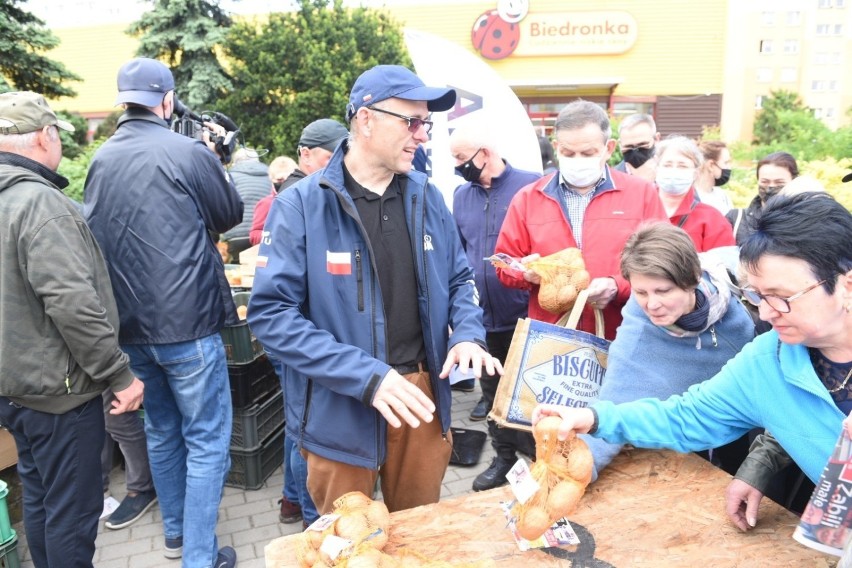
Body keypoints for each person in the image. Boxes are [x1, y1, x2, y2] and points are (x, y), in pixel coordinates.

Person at [247, 64, 496, 515]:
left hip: (421, 393)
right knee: (347, 545)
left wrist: (467, 332)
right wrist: (366, 377)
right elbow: (272, 317)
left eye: (427, 123)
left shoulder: (426, 195)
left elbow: (460, 278)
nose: (422, 135)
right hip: (339, 401)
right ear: (366, 120)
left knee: (419, 533)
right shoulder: (299, 206)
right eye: (412, 122)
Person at [533, 192, 852, 533]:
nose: (766, 312)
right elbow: (686, 416)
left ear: (846, 285)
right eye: (758, 296)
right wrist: (593, 418)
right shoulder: (766, 362)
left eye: (783, 298)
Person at [83, 58, 242, 568]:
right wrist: (216, 158)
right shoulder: (187, 150)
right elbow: (229, 214)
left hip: (129, 329)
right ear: (168, 101)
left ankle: (175, 536)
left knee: (162, 430)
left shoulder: (101, 159)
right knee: (206, 439)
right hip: (188, 325)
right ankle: (199, 556)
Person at [0, 91, 144, 568]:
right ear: (45, 136)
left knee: (41, 500)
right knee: (72, 514)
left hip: (17, 391)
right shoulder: (40, 205)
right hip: (59, 397)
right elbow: (72, 305)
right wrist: (119, 376)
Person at [580, 222, 755, 481]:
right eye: (640, 292)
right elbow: (615, 397)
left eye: (663, 291)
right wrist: (579, 466)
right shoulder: (639, 329)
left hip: (752, 415)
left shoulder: (730, 286)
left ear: (693, 279)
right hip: (694, 430)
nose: (652, 304)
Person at [495, 100, 667, 340]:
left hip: (625, 332)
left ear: (609, 148)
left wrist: (618, 285)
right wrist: (524, 272)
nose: (577, 160)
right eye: (567, 153)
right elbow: (504, 263)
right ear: (556, 147)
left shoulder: (642, 194)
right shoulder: (529, 198)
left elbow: (662, 261)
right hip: (553, 334)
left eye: (588, 153)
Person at [449, 121, 540, 490]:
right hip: (481, 317)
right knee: (493, 394)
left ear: (484, 153)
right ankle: (503, 458)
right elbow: (457, 252)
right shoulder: (461, 196)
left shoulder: (532, 186)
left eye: (460, 158)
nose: (457, 166)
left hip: (525, 314)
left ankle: (539, 461)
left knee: (530, 395)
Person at [249, 119, 348, 246]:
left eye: (345, 155)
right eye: (332, 157)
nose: (341, 162)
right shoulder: (295, 196)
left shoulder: (324, 188)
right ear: (306, 155)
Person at [654, 135, 735, 252]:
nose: (674, 171)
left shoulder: (712, 220)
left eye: (682, 166)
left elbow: (723, 265)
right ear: (656, 168)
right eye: (667, 165)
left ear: (695, 173)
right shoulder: (637, 210)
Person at [100, 390, 157, 530]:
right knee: (94, 416)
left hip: (112, 370)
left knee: (118, 418)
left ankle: (143, 486)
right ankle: (97, 486)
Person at [725, 151, 798, 245]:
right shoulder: (736, 219)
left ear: (794, 181)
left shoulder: (807, 220)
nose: (771, 186)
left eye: (779, 182)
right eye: (765, 182)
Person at [223, 147, 272, 258]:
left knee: (237, 271)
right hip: (263, 237)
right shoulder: (270, 175)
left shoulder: (230, 176)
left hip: (236, 236)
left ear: (235, 162)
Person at [613, 113, 660, 182]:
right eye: (628, 147)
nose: (635, 151)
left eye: (642, 144)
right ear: (620, 144)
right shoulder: (612, 179)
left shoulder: (670, 173)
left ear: (656, 139)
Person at [694, 140, 734, 214]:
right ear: (711, 165)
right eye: (726, 163)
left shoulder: (722, 196)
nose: (729, 167)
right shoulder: (692, 198)